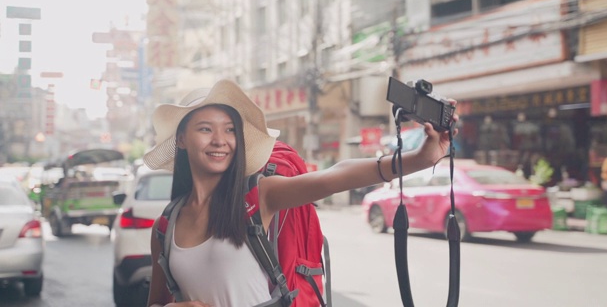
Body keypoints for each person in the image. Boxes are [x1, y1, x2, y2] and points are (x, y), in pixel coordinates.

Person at [144, 79, 458, 307]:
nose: (220, 140)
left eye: (229, 129)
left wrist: (419, 159)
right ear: (182, 139)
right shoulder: (164, 227)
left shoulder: (257, 198)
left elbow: (337, 175)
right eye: (204, 129)